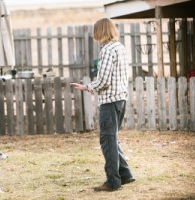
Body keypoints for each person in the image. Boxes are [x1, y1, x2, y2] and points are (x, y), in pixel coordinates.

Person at [70, 18, 135, 192]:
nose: (94, 34)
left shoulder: (107, 50)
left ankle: (113, 181)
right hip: (121, 99)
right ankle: (125, 174)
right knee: (112, 138)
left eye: (96, 31)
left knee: (107, 140)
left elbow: (103, 81)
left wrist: (87, 87)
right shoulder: (120, 47)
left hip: (109, 101)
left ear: (100, 31)